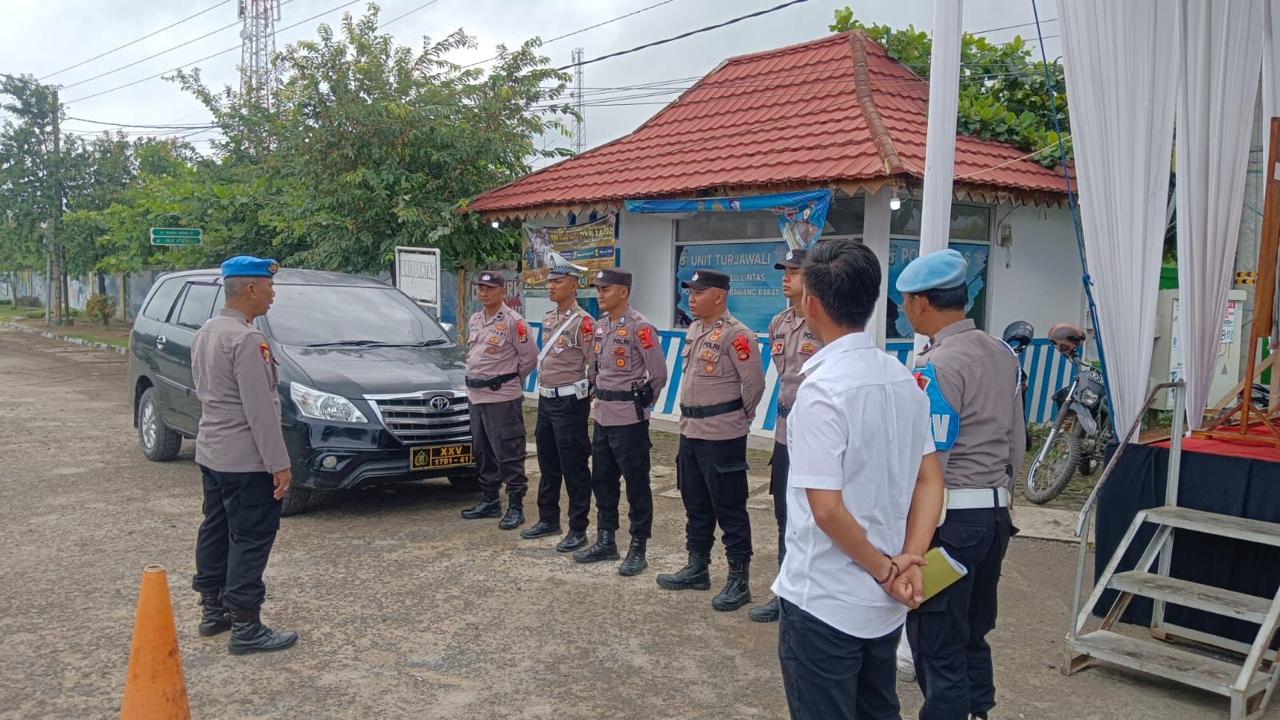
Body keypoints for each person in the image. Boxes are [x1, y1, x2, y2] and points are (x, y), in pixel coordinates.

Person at [772, 239, 944, 719]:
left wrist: (888, 570)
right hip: (882, 600)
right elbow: (930, 481)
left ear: (811, 304)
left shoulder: (822, 391)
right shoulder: (903, 379)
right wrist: (910, 560)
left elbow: (826, 509)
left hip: (825, 597)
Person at [898, 249, 1025, 720]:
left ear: (921, 303)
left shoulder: (937, 365)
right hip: (993, 517)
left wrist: (912, 533)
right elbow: (1017, 442)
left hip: (949, 523)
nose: (904, 310)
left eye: (905, 301)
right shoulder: (1002, 353)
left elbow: (930, 462)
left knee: (937, 641)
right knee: (973, 631)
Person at [190, 255, 299, 655]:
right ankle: (246, 627)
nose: (273, 295)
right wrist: (279, 465)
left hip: (213, 452)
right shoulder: (247, 340)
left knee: (216, 529)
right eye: (269, 287)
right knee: (251, 538)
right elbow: (261, 410)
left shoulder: (207, 331)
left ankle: (213, 610)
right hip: (246, 459)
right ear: (251, 288)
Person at [656, 269, 766, 611]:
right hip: (691, 431)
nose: (691, 298)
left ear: (718, 296)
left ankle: (738, 580)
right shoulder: (695, 329)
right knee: (696, 503)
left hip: (723, 434)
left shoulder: (738, 335)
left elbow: (755, 385)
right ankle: (697, 567)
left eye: (698, 292)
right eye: (689, 292)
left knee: (730, 508)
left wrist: (736, 417)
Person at [573, 268, 668, 575]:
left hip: (629, 419)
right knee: (602, 480)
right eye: (598, 289)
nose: (600, 294)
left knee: (636, 484)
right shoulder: (601, 326)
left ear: (623, 292)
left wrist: (642, 403)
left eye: (606, 289)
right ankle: (606, 540)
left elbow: (658, 374)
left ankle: (638, 546)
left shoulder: (641, 328)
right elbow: (596, 368)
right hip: (602, 415)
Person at [749, 248, 824, 623]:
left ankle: (814, 594)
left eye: (794, 271)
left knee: (817, 514)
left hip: (816, 432)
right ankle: (785, 593)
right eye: (784, 270)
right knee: (784, 514)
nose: (785, 276)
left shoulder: (825, 321)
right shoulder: (778, 323)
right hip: (784, 432)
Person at [521, 265, 596, 551]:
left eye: (558, 282)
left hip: (569, 402)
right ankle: (548, 518)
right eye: (549, 282)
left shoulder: (583, 323)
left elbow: (594, 365)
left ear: (573, 286)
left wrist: (585, 397)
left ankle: (578, 528)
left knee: (574, 466)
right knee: (548, 463)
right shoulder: (549, 318)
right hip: (546, 400)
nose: (550, 286)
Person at [460, 272, 538, 529]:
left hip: (502, 397)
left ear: (503, 291)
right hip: (476, 396)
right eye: (481, 288)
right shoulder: (475, 319)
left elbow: (529, 358)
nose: (484, 293)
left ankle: (516, 506)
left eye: (490, 288)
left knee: (508, 451)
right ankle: (490, 501)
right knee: (482, 451)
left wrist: (508, 381)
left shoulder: (514, 322)